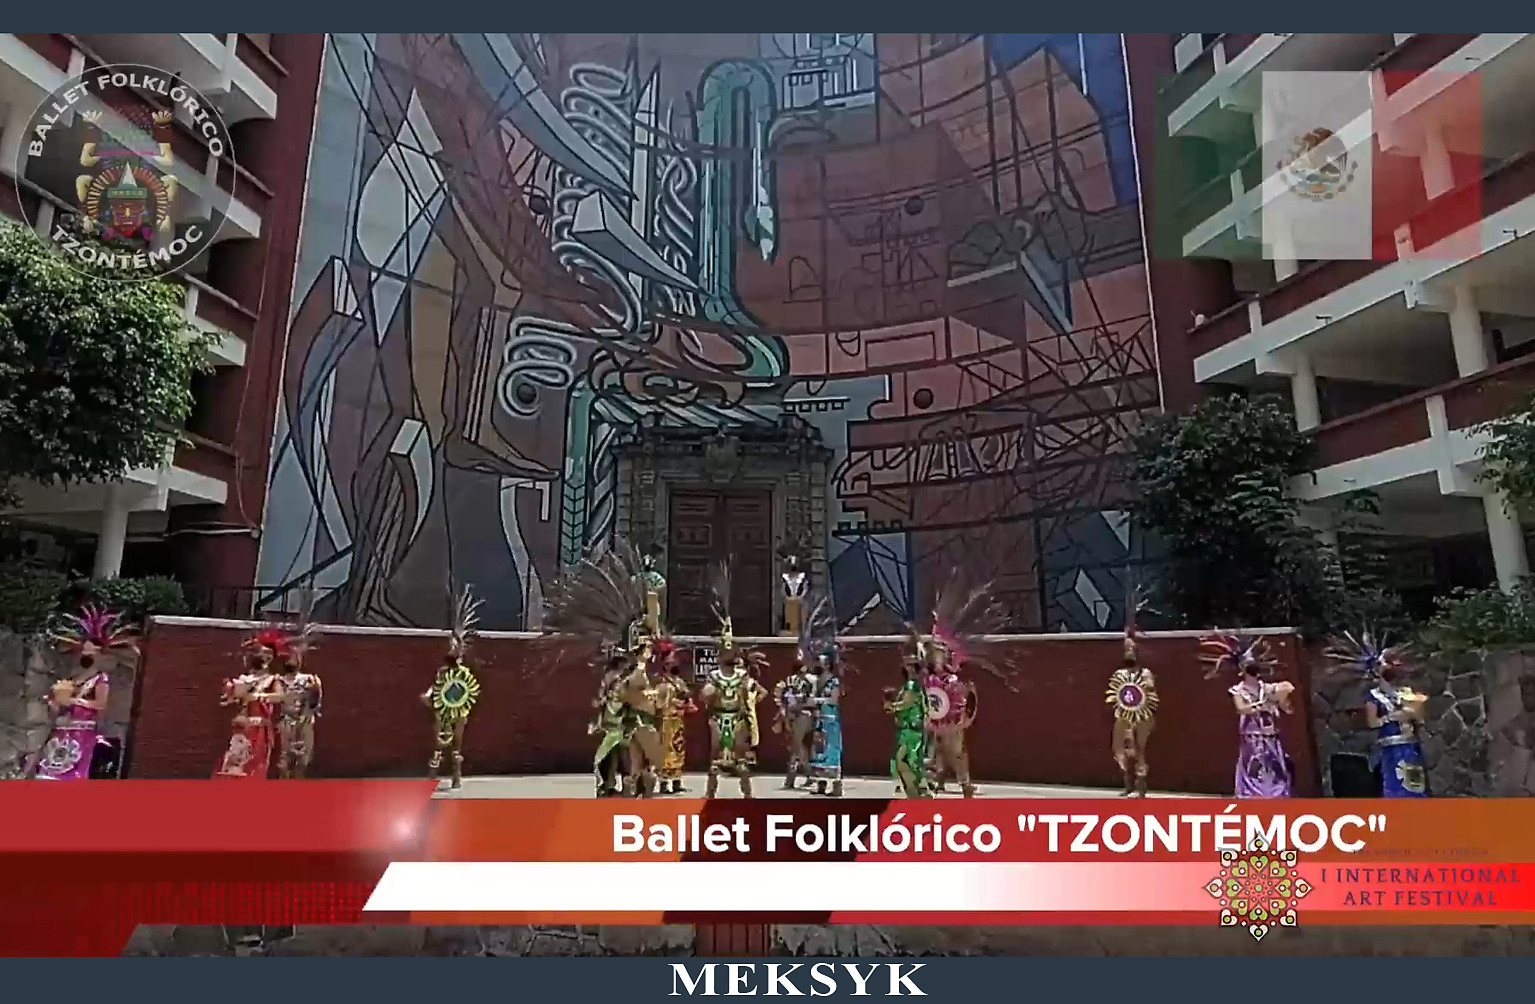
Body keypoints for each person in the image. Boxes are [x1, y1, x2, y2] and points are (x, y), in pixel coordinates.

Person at [542, 539, 669, 797]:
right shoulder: (621, 672)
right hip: (622, 719)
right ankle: (611, 784)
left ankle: (636, 785)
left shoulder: (650, 662)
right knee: (619, 755)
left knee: (642, 764)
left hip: (641, 717)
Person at [31, 607, 138, 780]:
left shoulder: (101, 679)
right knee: (47, 772)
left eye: (90, 652)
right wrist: (53, 701)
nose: (84, 655)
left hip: (82, 733)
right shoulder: (74, 679)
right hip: (61, 730)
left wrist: (75, 701)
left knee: (72, 774)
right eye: (83, 651)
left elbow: (100, 704)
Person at [1326, 631, 1428, 798]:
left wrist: (1413, 713)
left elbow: (1420, 718)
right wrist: (1391, 717)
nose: (1391, 666)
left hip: (1411, 746)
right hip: (1391, 749)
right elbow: (1372, 723)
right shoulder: (1374, 696)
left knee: (1417, 786)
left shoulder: (1406, 692)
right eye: (1385, 663)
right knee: (1396, 788)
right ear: (1377, 669)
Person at [1201, 632, 1294, 799]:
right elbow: (1241, 709)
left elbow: (1286, 703)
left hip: (1271, 736)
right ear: (1242, 670)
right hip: (1252, 737)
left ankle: (1277, 795)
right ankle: (1250, 795)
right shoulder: (1238, 691)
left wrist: (1282, 699)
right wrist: (1260, 705)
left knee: (1275, 767)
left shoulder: (1266, 688)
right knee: (1253, 767)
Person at [423, 584, 483, 790]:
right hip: (443, 709)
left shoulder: (464, 673)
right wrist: (428, 695)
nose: (451, 648)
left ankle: (456, 775)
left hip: (458, 710)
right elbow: (436, 686)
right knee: (440, 742)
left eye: (453, 646)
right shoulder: (444, 672)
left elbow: (470, 690)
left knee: (456, 743)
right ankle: (434, 775)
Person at [1105, 587, 1158, 797]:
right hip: (1123, 717)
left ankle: (1141, 785)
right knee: (1121, 748)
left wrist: (1144, 687)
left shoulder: (1146, 673)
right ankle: (1127, 783)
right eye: (1127, 649)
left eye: (1132, 650)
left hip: (1143, 716)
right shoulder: (1119, 674)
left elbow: (1150, 691)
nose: (1129, 652)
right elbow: (1114, 694)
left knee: (1139, 749)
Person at [216, 625, 287, 779]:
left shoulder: (272, 679)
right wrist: (231, 692)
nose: (264, 657)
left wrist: (260, 696)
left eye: (268, 655)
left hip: (260, 729)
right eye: (261, 654)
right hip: (243, 726)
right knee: (236, 762)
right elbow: (232, 698)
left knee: (255, 764)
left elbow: (280, 696)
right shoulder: (246, 679)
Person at [273, 598, 322, 779]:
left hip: (305, 721)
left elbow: (315, 703)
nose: (294, 658)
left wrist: (312, 695)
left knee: (303, 759)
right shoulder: (277, 680)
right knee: (284, 759)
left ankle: (297, 787)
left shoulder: (310, 679)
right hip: (286, 722)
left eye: (296, 656)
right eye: (291, 655)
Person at [885, 649, 929, 798]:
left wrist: (892, 707)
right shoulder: (909, 685)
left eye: (911, 665)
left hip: (911, 730)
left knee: (904, 761)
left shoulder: (912, 685)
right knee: (906, 762)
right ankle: (915, 793)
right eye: (907, 665)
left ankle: (917, 792)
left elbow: (907, 703)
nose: (908, 667)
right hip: (907, 729)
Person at [653, 639, 694, 794]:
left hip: (678, 721)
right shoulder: (661, 681)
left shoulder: (678, 681)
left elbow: (686, 695)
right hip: (666, 721)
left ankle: (677, 782)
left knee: (679, 749)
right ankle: (664, 783)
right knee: (665, 752)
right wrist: (674, 702)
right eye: (670, 661)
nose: (673, 663)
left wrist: (687, 700)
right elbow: (659, 702)